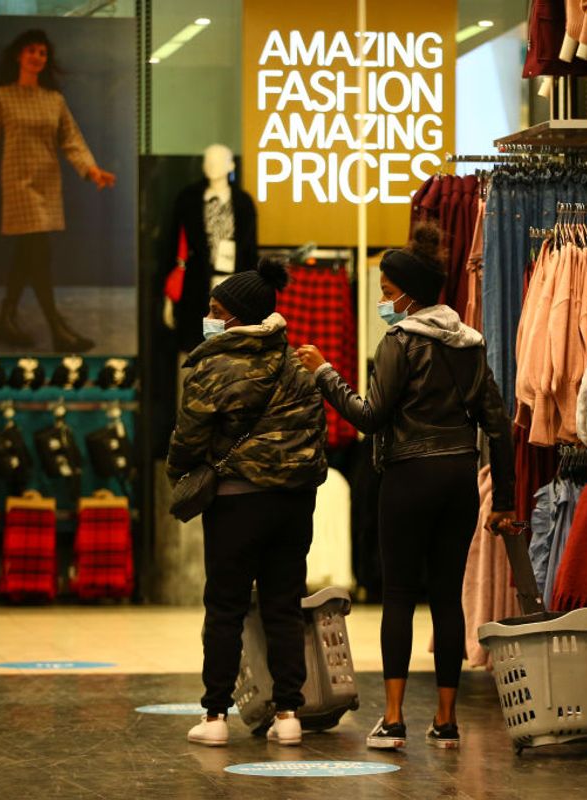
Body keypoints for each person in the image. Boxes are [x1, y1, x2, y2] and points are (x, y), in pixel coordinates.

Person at [296, 224, 516, 751]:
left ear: (408, 295)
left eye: (386, 290)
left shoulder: (398, 342)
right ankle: (446, 720)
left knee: (397, 596)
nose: (381, 299)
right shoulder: (470, 345)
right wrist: (503, 500)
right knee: (446, 597)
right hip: (458, 479)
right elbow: (498, 424)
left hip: (408, 477)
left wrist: (326, 373)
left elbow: (369, 417)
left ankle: (393, 721)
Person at [167, 259, 328, 748]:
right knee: (284, 607)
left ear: (238, 316)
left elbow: (188, 438)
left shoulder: (213, 365)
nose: (210, 317)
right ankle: (288, 715)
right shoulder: (296, 367)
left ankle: (215, 717)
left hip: (235, 503)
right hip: (293, 506)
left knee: (225, 608)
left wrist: (183, 469)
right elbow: (314, 434)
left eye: (217, 309)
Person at [0, 28, 117, 353]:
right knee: (40, 254)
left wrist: (92, 171)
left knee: (27, 255)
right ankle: (57, 328)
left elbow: (71, 140)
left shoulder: (54, 100)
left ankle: (6, 319)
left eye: (43, 53)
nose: (37, 57)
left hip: (48, 185)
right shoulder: (1, 97)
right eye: (32, 50)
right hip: (18, 186)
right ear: (19, 55)